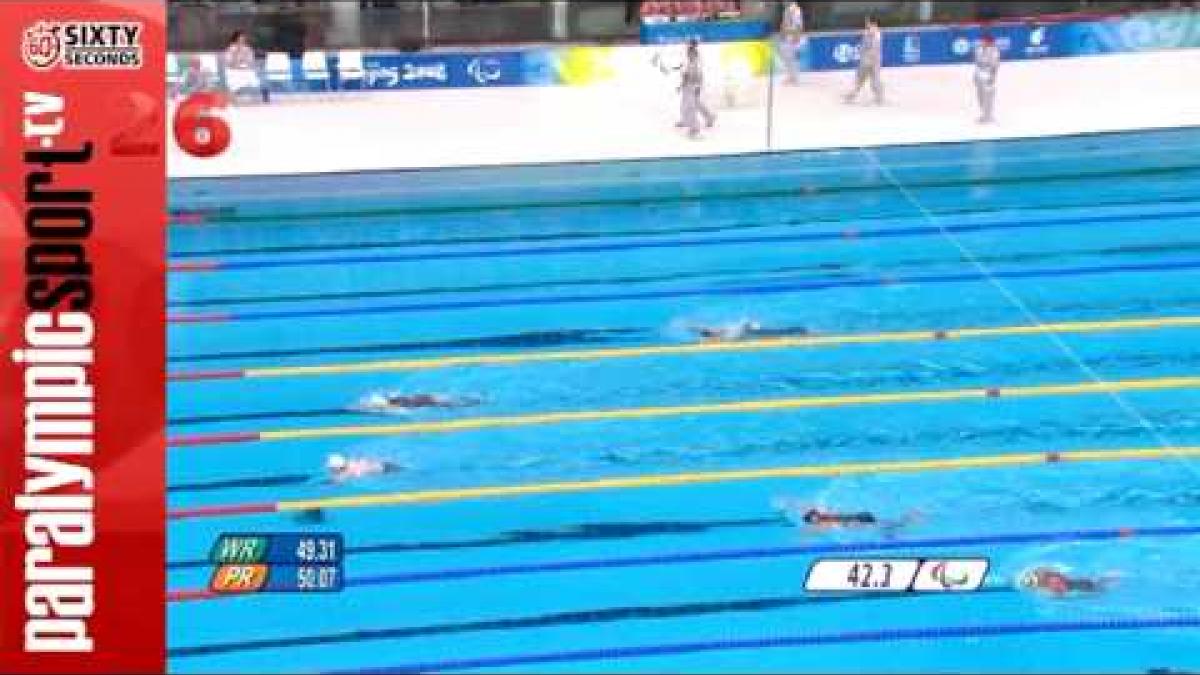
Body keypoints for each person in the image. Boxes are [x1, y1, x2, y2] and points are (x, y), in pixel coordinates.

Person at [676, 38, 716, 139]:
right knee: (693, 104)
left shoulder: (695, 60)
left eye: (689, 45)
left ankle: (694, 130)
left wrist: (682, 85)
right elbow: (684, 70)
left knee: (689, 107)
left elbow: (692, 74)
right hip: (691, 84)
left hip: (692, 85)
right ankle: (709, 117)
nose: (687, 47)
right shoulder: (690, 57)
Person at [843, 16, 884, 105]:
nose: (866, 23)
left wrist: (867, 57)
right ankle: (852, 95)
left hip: (871, 61)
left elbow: (873, 48)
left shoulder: (876, 34)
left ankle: (879, 97)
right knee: (861, 79)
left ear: (873, 23)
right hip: (868, 60)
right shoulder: (868, 33)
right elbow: (863, 46)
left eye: (868, 22)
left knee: (873, 80)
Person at [223, 30, 268, 104]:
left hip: (245, 68)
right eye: (240, 38)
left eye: (243, 38)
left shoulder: (247, 49)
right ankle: (232, 99)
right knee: (232, 79)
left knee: (254, 75)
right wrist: (236, 57)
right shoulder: (231, 49)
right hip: (233, 69)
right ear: (236, 38)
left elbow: (250, 60)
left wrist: (244, 61)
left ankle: (263, 93)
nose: (242, 40)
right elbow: (228, 62)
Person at [1019, 566, 1117, 597]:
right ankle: (1110, 577)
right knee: (1099, 583)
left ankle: (1110, 578)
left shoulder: (1049, 582)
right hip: (1076, 584)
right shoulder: (1046, 580)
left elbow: (1063, 590)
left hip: (1079, 586)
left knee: (1100, 587)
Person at [352, 391, 481, 414]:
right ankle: (473, 399)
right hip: (425, 397)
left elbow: (404, 410)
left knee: (452, 405)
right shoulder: (394, 398)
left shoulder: (395, 405)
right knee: (452, 401)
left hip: (426, 401)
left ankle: (474, 402)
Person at [325, 453, 402, 484]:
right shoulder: (350, 461)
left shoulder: (347, 472)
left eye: (332, 468)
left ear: (338, 467)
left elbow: (337, 482)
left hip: (384, 470)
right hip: (384, 464)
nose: (331, 469)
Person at [974, 32, 1001, 123]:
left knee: (988, 96)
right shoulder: (978, 49)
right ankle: (984, 114)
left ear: (989, 42)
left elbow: (995, 65)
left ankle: (988, 116)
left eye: (984, 41)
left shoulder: (994, 51)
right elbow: (977, 62)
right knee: (980, 96)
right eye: (982, 41)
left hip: (988, 73)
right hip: (979, 74)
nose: (982, 42)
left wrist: (992, 77)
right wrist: (975, 76)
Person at [779, 1, 806, 85]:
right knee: (785, 56)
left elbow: (798, 24)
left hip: (792, 35)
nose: (783, 2)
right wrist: (782, 33)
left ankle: (794, 77)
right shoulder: (786, 10)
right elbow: (784, 23)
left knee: (792, 58)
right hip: (786, 35)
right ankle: (790, 75)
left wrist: (796, 36)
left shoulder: (796, 10)